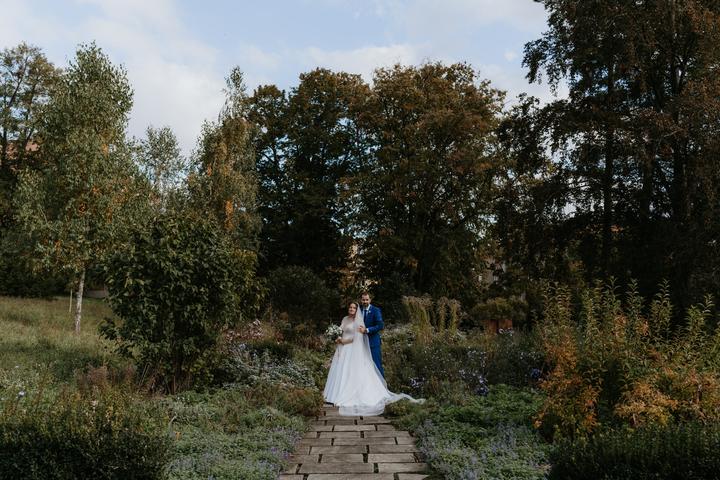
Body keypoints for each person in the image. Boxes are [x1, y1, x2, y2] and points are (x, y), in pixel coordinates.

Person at [323, 301, 422, 416]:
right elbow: (340, 330)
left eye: (354, 308)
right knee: (340, 370)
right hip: (341, 349)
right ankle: (334, 395)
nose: (351, 309)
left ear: (356, 310)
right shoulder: (345, 319)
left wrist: (343, 341)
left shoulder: (358, 321)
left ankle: (347, 394)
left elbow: (357, 337)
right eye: (350, 307)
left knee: (350, 371)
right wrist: (336, 337)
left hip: (350, 348)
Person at [357, 292, 384, 377]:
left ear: (370, 300)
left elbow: (380, 325)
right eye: (363, 300)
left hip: (373, 343)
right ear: (361, 300)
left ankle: (381, 384)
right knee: (364, 366)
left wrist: (367, 330)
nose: (365, 301)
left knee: (376, 365)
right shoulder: (358, 311)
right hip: (361, 344)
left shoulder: (375, 310)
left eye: (367, 300)